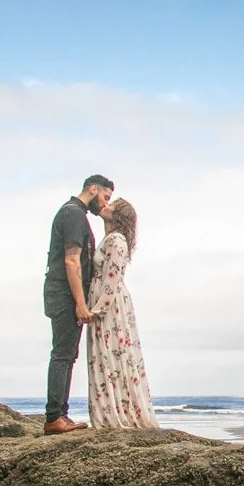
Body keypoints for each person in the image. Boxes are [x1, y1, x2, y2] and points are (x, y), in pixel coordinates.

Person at [42, 174, 113, 434]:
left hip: (63, 294)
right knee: (62, 354)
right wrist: (80, 304)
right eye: (105, 196)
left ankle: (60, 414)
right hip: (64, 295)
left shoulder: (76, 214)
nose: (105, 203)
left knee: (67, 355)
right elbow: (72, 261)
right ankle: (54, 417)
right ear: (93, 189)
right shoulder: (73, 214)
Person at [84, 197, 159, 429]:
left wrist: (97, 310)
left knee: (110, 353)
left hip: (110, 305)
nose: (104, 206)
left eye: (111, 206)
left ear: (118, 216)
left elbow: (112, 277)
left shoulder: (116, 240)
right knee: (107, 354)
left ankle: (116, 413)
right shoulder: (111, 238)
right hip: (106, 301)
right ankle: (111, 410)